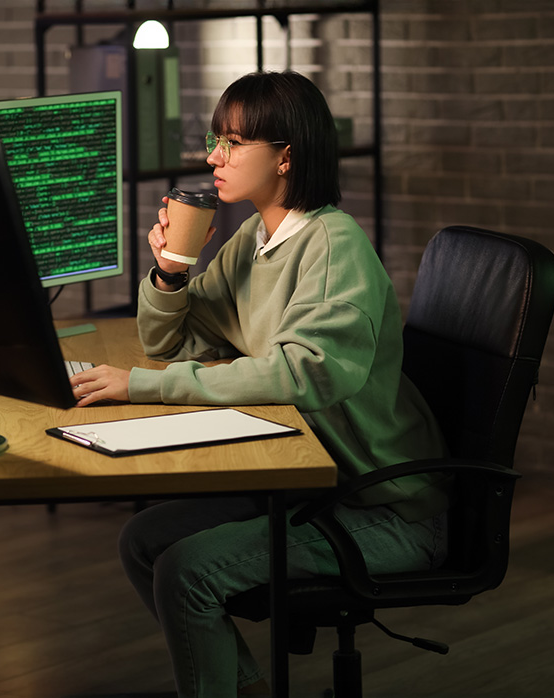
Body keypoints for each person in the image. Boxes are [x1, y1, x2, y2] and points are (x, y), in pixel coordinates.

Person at [67, 71, 450, 697]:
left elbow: (304, 371)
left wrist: (148, 387)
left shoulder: (334, 246)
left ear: (286, 156)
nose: (213, 156)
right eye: (216, 139)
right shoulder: (257, 237)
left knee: (187, 571)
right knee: (144, 540)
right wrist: (170, 274)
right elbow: (175, 342)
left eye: (233, 142)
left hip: (385, 508)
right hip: (315, 480)